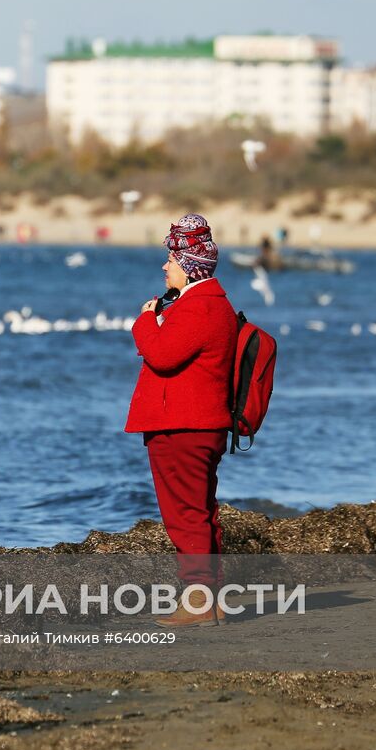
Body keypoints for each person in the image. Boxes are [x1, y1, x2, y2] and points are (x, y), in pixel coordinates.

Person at [125, 213, 237, 628]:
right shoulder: (211, 305)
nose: (164, 266)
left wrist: (145, 319)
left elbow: (162, 354)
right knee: (202, 512)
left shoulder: (199, 307)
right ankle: (211, 599)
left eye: (171, 259)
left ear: (190, 266)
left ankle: (198, 602)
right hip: (199, 427)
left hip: (183, 429)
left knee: (185, 515)